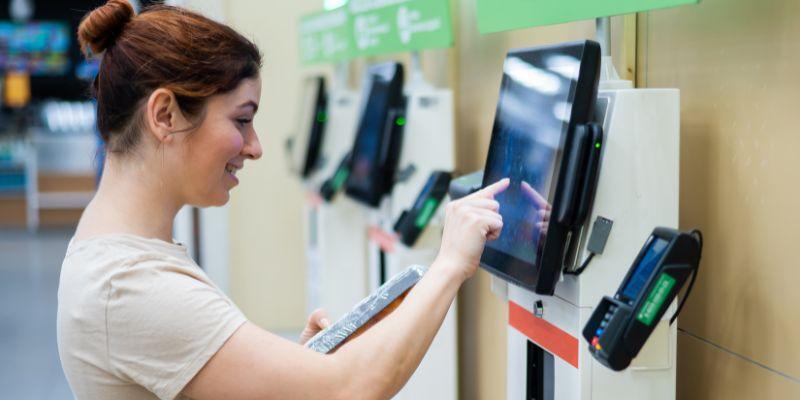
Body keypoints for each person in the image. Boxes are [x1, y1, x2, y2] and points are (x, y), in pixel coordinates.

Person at [57, 1, 509, 399]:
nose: (255, 147)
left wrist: (292, 369)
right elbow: (350, 389)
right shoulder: (131, 285)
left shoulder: (120, 254)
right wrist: (450, 264)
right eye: (242, 120)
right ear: (164, 115)